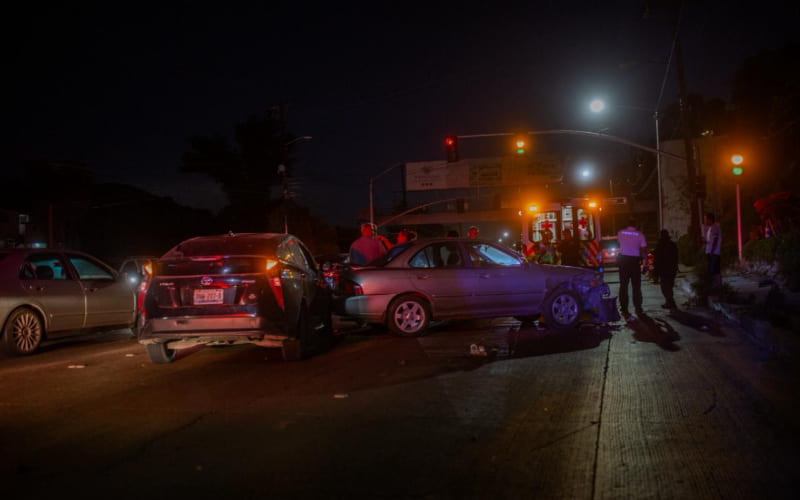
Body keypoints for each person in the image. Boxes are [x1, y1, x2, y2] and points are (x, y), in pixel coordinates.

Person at [617, 218, 648, 320]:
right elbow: (643, 250)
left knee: (623, 286)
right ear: (636, 225)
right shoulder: (640, 235)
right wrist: (646, 263)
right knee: (636, 287)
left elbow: (619, 245)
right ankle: (638, 308)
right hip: (634, 263)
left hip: (623, 262)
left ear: (627, 225)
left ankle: (624, 309)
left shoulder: (620, 233)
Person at [653, 229, 679, 310]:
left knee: (665, 287)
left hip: (664, 270)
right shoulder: (672, 245)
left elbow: (657, 259)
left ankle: (670, 302)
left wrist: (656, 271)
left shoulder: (660, 245)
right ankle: (670, 302)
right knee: (669, 286)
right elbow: (676, 257)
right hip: (671, 269)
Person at [703, 212, 722, 291]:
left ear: (710, 219)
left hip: (714, 253)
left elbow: (715, 239)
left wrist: (712, 251)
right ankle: (715, 287)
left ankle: (717, 287)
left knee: (714, 270)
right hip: (711, 252)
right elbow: (710, 241)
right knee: (712, 270)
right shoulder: (710, 228)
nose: (705, 221)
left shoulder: (715, 227)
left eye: (706, 219)